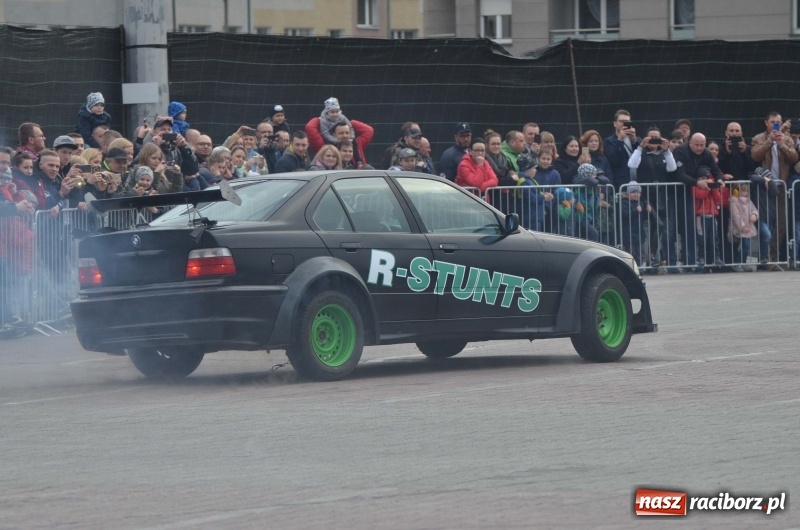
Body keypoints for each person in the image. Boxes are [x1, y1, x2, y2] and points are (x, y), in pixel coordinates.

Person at [750, 111, 798, 264]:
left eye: (778, 122)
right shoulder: (758, 138)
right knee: (766, 222)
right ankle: (766, 257)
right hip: (765, 186)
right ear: (766, 123)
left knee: (782, 223)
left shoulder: (787, 139)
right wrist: (769, 141)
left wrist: (782, 145)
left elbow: (794, 157)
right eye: (772, 122)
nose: (775, 125)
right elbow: (755, 156)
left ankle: (774, 256)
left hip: (782, 185)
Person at [671, 133, 725, 270]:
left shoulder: (706, 153)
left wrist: (719, 179)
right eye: (697, 145)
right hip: (678, 193)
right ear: (690, 143)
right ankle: (686, 262)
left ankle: (695, 262)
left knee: (696, 231)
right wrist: (697, 183)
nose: (700, 148)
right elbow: (679, 174)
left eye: (702, 145)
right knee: (682, 229)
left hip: (697, 193)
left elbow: (715, 169)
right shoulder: (681, 151)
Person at [627, 127, 677, 268]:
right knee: (657, 225)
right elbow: (631, 164)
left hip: (661, 195)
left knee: (658, 225)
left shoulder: (663, 154)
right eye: (651, 137)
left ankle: (652, 258)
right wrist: (640, 148)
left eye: (657, 137)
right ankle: (650, 256)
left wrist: (667, 150)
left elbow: (672, 168)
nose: (654, 140)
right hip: (646, 196)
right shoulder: (642, 153)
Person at [692, 167, 725, 268]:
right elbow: (700, 196)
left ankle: (717, 257)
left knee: (714, 238)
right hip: (700, 217)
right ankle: (701, 257)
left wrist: (714, 188)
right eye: (702, 178)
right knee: (702, 238)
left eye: (706, 178)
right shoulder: (695, 187)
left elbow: (718, 198)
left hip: (712, 216)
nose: (705, 180)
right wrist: (708, 187)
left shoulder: (711, 188)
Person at [515, 154, 554, 232]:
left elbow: (536, 193)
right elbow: (531, 198)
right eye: (534, 168)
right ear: (527, 169)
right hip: (530, 217)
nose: (536, 170)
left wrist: (544, 194)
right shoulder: (524, 182)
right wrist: (544, 197)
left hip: (536, 215)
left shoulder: (531, 180)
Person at [603, 109, 640, 189]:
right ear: (615, 123)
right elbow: (615, 161)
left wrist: (634, 141)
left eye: (627, 122)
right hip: (621, 182)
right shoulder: (609, 141)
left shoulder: (637, 140)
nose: (624, 124)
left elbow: (642, 158)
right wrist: (620, 140)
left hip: (638, 181)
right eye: (621, 121)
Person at [728, 183, 759, 271]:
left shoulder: (749, 201)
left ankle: (743, 262)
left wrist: (754, 215)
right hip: (740, 228)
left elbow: (754, 209)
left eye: (746, 191)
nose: (745, 193)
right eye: (743, 191)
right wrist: (742, 227)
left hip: (748, 227)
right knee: (745, 245)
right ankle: (738, 262)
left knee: (746, 245)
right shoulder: (734, 202)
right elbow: (736, 217)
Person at [620, 181, 650, 266]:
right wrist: (635, 210)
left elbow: (643, 218)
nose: (636, 194)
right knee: (631, 253)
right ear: (628, 193)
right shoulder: (624, 202)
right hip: (629, 233)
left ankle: (639, 268)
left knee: (640, 252)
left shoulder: (640, 203)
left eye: (638, 192)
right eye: (633, 192)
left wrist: (647, 211)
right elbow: (624, 215)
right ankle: (632, 269)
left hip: (639, 233)